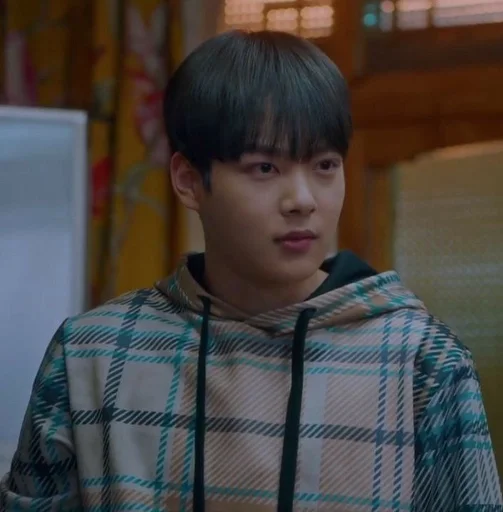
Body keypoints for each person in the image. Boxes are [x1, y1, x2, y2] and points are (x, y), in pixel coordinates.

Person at [1, 30, 501, 512]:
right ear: (189, 180)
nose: (302, 200)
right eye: (265, 168)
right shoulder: (90, 356)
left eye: (325, 166)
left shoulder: (421, 362)